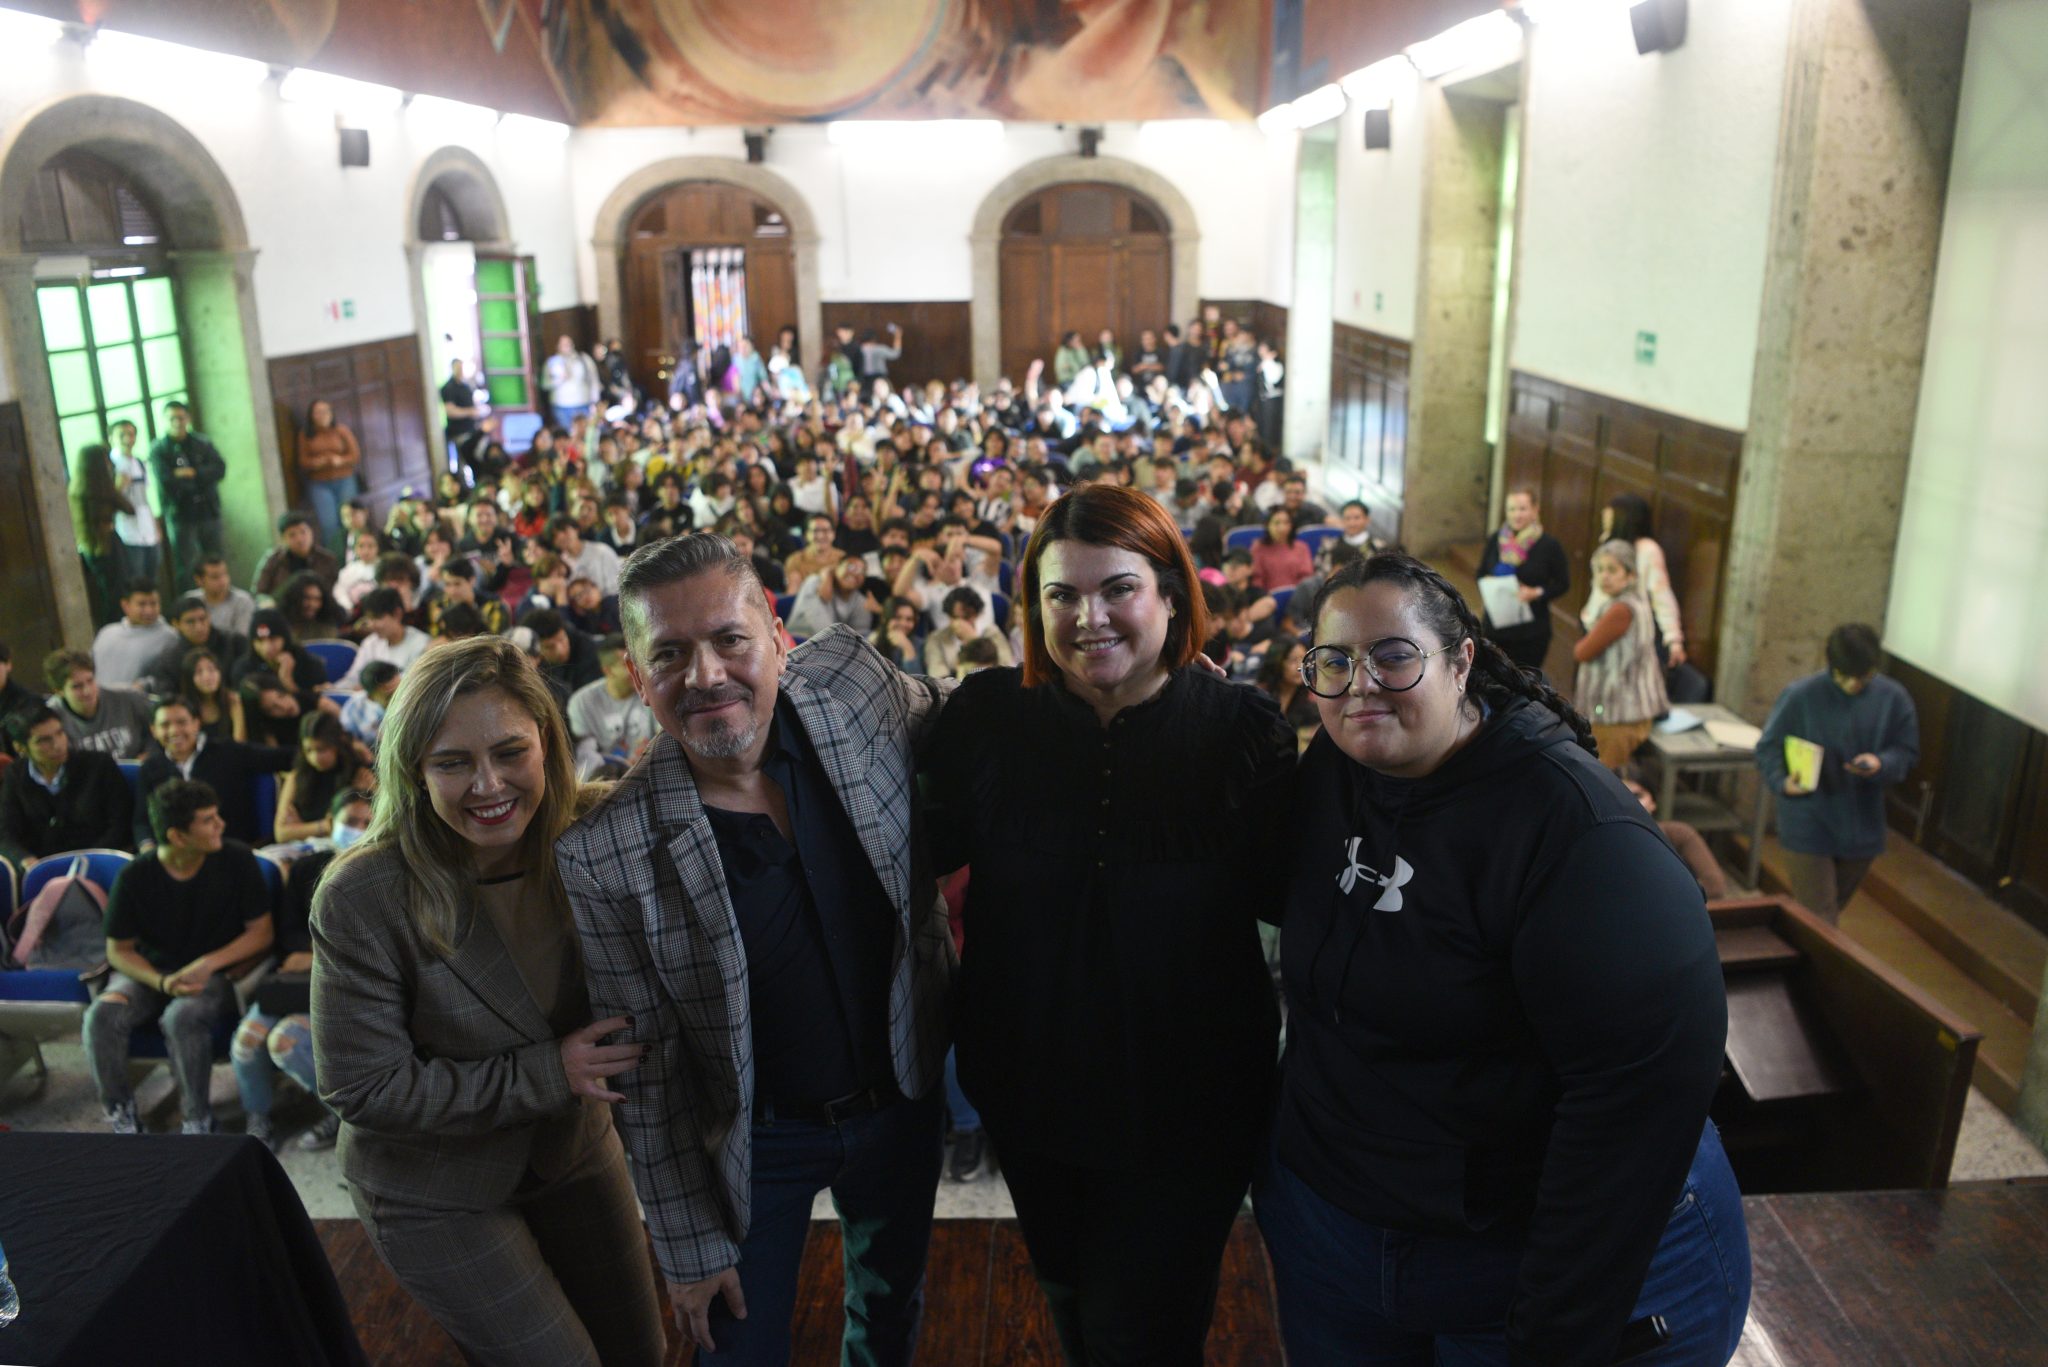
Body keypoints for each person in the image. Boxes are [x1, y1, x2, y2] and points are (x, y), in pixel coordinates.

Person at [1256, 552, 1747, 1365]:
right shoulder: (1339, 765)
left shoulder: (1583, 837)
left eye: (1393, 655)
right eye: (1334, 661)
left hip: (1530, 1257)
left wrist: (1556, 1335)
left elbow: (1635, 1102)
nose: (1361, 683)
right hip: (1341, 1239)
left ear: (1461, 662)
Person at [555, 534, 955, 1363]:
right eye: (669, 653)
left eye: (729, 639)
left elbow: (965, 708)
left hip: (900, 1098)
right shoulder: (605, 852)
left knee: (889, 1311)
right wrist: (684, 1245)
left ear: (776, 634)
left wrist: (1147, 688)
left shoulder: (850, 684)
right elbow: (647, 1072)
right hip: (751, 1142)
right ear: (636, 675)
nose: (704, 675)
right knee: (733, 1347)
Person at [923, 484, 1294, 1364]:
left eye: (1117, 589)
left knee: (1146, 1332)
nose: (1089, 617)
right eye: (1061, 595)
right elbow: (918, 847)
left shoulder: (1240, 728)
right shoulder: (985, 718)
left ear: (1171, 594)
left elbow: (1291, 897)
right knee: (1072, 1302)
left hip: (1189, 1106)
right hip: (1031, 1086)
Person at [311, 636, 666, 1366]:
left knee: (642, 1351)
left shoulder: (594, 829)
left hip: (571, 1150)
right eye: (452, 762)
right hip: (434, 1184)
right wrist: (550, 1072)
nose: (487, 783)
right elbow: (364, 1086)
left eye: (510, 751)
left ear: (549, 742)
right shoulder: (363, 894)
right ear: (413, 770)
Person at [86, 778, 274, 1133]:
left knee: (182, 1017)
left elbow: (261, 932)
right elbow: (119, 950)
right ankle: (121, 1116)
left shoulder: (236, 858)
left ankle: (197, 1118)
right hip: (152, 972)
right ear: (177, 836)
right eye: (208, 820)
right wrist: (159, 980)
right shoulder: (135, 876)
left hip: (214, 970)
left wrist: (208, 964)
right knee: (102, 1016)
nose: (221, 824)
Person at [1756, 623, 1920, 923]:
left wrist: (1881, 763)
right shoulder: (1800, 696)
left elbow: (1906, 752)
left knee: (1823, 917)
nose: (1854, 685)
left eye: (1864, 678)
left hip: (1862, 826)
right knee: (1821, 917)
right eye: (1845, 677)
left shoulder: (1894, 698)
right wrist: (1782, 781)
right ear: (1832, 667)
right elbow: (1768, 747)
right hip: (1808, 821)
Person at [234, 788, 369, 1150]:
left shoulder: (383, 873)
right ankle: (259, 1119)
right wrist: (324, 952)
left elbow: (373, 948)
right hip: (297, 983)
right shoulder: (307, 869)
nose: (358, 830)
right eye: (350, 822)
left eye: (367, 823)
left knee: (286, 1042)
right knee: (247, 1042)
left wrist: (320, 953)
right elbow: (290, 936)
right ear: (331, 823)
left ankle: (349, 1115)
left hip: (346, 988)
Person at [133, 695, 291, 850]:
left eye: (182, 722)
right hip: (176, 854)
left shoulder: (228, 751)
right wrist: (148, 848)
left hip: (230, 849)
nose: (174, 730)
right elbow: (142, 821)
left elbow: (286, 758)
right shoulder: (150, 768)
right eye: (165, 725)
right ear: (153, 730)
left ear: (196, 723)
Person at [1572, 540, 1671, 769]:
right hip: (1629, 709)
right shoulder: (1638, 602)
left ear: (1630, 575)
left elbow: (1582, 651)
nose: (1604, 576)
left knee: (1601, 778)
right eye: (1599, 570)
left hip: (1618, 714)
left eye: (1612, 570)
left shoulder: (1621, 610)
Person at [0, 705, 133, 868]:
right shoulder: (15, 775)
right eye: (44, 740)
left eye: (60, 733)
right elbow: (6, 833)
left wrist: (88, 861)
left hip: (97, 864)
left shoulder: (99, 765)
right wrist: (26, 860)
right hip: (41, 867)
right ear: (20, 748)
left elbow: (120, 825)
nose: (58, 744)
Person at [1476, 487, 1570, 674]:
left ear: (1535, 510)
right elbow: (1480, 573)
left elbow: (1563, 583)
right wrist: (1489, 582)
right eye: (1512, 509)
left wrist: (1536, 592)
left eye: (1522, 509)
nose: (1516, 515)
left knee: (1524, 682)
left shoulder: (1549, 545)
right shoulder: (1496, 539)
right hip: (1495, 627)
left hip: (1530, 633)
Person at [1618, 764, 1729, 900]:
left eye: (1637, 796)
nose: (1631, 804)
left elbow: (1715, 886)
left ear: (1653, 802)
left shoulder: (1679, 834)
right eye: (1621, 796)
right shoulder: (1602, 841)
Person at [1603, 492, 1687, 667]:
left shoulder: (1648, 551)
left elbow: (1661, 595)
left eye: (1611, 516)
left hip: (1631, 633)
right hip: (1603, 624)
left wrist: (1673, 639)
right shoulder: (1608, 543)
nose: (1606, 519)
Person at [149, 401, 228, 579]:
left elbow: (219, 469)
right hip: (181, 514)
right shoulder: (159, 449)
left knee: (216, 559)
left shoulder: (201, 443)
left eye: (180, 417)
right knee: (187, 565)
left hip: (208, 510)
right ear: (164, 420)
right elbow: (166, 480)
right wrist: (195, 481)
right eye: (171, 418)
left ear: (188, 418)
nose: (177, 422)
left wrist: (193, 473)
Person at [565, 634, 657, 780]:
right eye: (627, 665)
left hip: (649, 776)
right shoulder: (581, 703)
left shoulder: (653, 692)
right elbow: (585, 758)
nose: (638, 670)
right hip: (603, 781)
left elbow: (664, 739)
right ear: (608, 670)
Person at [43, 649, 153, 758]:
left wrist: (151, 754)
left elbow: (161, 729)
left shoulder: (128, 697)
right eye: (77, 686)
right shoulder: (50, 717)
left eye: (90, 681)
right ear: (59, 692)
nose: (88, 691)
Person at [274, 712, 363, 844]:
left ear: (337, 745)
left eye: (322, 749)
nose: (315, 758)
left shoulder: (360, 775)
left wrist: (301, 829)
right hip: (303, 850)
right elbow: (281, 834)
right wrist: (326, 826)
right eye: (309, 750)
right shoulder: (295, 777)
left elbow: (359, 829)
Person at [71, 441, 132, 625]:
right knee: (117, 593)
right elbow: (129, 508)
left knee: (105, 594)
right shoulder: (102, 489)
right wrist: (120, 486)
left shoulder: (77, 489)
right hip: (107, 543)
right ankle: (116, 629)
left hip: (89, 545)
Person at [297, 399, 363, 548]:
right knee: (328, 524)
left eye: (325, 411)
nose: (322, 416)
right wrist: (316, 463)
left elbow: (355, 455)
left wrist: (340, 460)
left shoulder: (341, 431)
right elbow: (303, 461)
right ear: (312, 416)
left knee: (349, 519)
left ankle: (356, 549)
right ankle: (335, 556)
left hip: (344, 479)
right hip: (320, 484)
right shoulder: (306, 435)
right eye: (318, 413)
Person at [107, 420, 164, 592]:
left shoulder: (139, 462)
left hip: (147, 529)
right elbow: (108, 501)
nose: (127, 439)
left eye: (131, 434)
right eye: (122, 435)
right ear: (111, 438)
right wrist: (119, 486)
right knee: (135, 580)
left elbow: (145, 498)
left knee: (152, 578)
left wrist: (155, 526)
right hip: (126, 532)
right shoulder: (111, 465)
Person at [91, 580, 177, 689]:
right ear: (125, 605)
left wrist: (144, 685)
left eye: (153, 603)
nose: (149, 610)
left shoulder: (169, 637)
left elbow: (171, 677)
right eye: (142, 604)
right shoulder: (107, 633)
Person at [338, 589, 429, 690]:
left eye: (376, 618)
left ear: (397, 614)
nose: (371, 625)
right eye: (369, 618)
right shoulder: (370, 643)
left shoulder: (422, 644)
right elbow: (352, 679)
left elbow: (414, 684)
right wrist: (333, 689)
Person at [921, 586, 1012, 678]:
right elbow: (937, 676)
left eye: (966, 617)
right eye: (956, 618)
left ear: (976, 614)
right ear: (949, 617)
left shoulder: (992, 633)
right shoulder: (936, 639)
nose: (961, 623)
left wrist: (975, 641)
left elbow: (1006, 668)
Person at [785, 555, 875, 641]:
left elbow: (862, 637)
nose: (855, 573)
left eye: (861, 571)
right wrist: (827, 576)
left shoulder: (860, 601)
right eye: (850, 567)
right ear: (836, 567)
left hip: (828, 648)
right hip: (795, 642)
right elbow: (822, 628)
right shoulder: (814, 582)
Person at [255, 512, 342, 599]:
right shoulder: (273, 560)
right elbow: (259, 591)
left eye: (303, 532)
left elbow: (336, 591)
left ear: (312, 532)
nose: (299, 539)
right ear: (283, 539)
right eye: (292, 535)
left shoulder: (327, 559)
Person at [176, 646, 247, 742]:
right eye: (199, 672)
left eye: (212, 669)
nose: (207, 677)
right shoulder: (183, 708)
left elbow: (239, 743)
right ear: (189, 679)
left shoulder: (232, 700)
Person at [340, 661, 402, 753]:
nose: (397, 696)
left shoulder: (410, 701)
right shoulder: (355, 706)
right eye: (390, 695)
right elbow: (347, 738)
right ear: (373, 692)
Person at [544, 335, 603, 431]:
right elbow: (545, 384)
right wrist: (559, 379)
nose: (566, 346)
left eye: (568, 344)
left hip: (583, 404)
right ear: (558, 346)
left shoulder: (584, 359)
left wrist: (595, 401)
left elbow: (593, 380)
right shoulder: (552, 362)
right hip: (561, 406)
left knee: (586, 431)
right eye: (563, 344)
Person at [1251, 505, 1313, 593]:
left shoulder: (1302, 548)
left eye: (1286, 522)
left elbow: (1306, 579)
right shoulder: (1258, 549)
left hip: (1298, 597)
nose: (1282, 528)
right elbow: (1256, 581)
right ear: (1267, 525)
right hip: (1268, 599)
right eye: (1276, 523)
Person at [194, 555, 257, 639]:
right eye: (215, 577)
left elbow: (242, 639)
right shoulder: (191, 600)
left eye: (224, 574)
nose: (223, 581)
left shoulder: (243, 601)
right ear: (199, 580)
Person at [440, 357, 482, 459]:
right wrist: (469, 412)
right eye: (458, 367)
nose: (460, 370)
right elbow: (450, 411)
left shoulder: (465, 387)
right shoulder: (449, 388)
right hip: (459, 431)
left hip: (471, 428)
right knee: (464, 458)